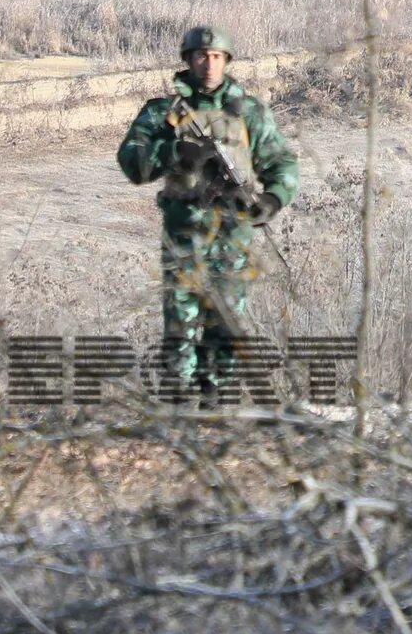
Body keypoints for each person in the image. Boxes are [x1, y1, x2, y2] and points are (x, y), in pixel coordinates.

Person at [117, 25, 298, 401]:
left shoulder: (248, 112)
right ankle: (177, 401)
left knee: (228, 325)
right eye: (201, 56)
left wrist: (272, 200)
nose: (209, 64)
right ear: (188, 60)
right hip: (185, 234)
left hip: (233, 236)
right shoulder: (163, 113)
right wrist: (173, 154)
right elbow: (132, 162)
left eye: (217, 57)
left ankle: (216, 399)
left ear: (227, 61)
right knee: (180, 324)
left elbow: (281, 163)